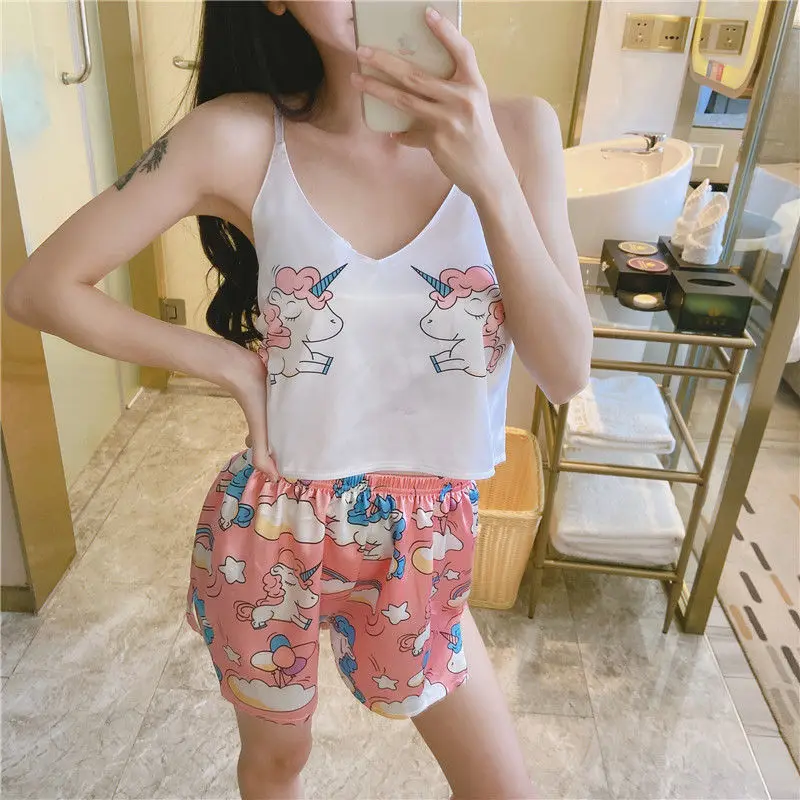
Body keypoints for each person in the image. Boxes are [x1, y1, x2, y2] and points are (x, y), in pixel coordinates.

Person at [4, 2, 592, 797]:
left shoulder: (519, 132)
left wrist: (486, 171)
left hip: (425, 537)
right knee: (278, 761)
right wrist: (230, 366)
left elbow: (565, 372)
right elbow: (41, 288)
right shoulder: (240, 137)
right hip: (278, 526)